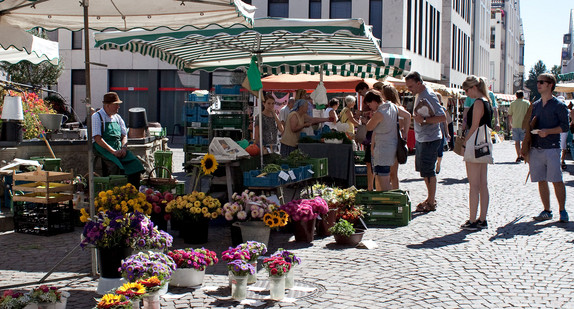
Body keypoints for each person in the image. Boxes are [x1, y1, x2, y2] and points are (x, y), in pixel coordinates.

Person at [526, 73, 569, 223]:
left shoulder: (559, 106)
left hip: (552, 148)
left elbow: (565, 127)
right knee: (541, 180)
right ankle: (547, 210)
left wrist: (548, 132)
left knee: (556, 180)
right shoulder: (536, 105)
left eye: (542, 82)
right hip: (536, 147)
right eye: (538, 82)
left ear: (550, 85)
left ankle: (562, 210)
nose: (538, 84)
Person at [405, 71, 446, 212]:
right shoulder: (420, 95)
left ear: (419, 83)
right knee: (424, 171)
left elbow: (442, 117)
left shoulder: (428, 95)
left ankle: (431, 201)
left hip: (430, 138)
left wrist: (423, 120)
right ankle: (430, 199)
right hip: (423, 138)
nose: (409, 90)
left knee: (428, 171)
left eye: (410, 86)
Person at [460, 76, 493, 231]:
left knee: (474, 185)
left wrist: (465, 142)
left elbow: (473, 127)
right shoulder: (487, 101)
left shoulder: (479, 102)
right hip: (484, 144)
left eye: (467, 90)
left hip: (475, 143)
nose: (467, 94)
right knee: (483, 184)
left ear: (473, 88)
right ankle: (482, 219)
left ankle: (472, 219)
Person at [92, 92, 145, 186]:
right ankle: (115, 193)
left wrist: (124, 148)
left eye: (118, 105)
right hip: (103, 147)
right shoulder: (97, 117)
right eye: (116, 105)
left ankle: (133, 192)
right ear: (107, 105)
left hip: (118, 147)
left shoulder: (118, 118)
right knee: (116, 166)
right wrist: (113, 151)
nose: (118, 107)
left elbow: (124, 135)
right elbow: (97, 138)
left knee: (135, 163)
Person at [365, 90, 410, 191]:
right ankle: (391, 201)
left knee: (383, 183)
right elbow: (407, 116)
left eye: (369, 104)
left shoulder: (379, 113)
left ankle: (391, 203)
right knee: (386, 179)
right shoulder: (392, 106)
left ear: (374, 101)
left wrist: (366, 120)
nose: (369, 107)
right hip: (392, 148)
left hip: (383, 150)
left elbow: (369, 127)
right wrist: (405, 133)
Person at [380, 84, 411, 189]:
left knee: (392, 173)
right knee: (389, 173)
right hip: (390, 140)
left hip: (393, 141)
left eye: (382, 94)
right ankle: (392, 193)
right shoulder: (388, 107)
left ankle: (395, 194)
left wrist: (404, 133)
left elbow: (407, 116)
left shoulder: (394, 107)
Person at [356, 81, 376, 191]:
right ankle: (370, 187)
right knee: (369, 162)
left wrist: (362, 114)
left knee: (371, 162)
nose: (360, 95)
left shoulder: (371, 98)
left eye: (360, 92)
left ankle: (371, 187)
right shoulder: (368, 99)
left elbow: (373, 114)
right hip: (370, 134)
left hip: (372, 134)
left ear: (364, 88)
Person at [508, 90, 530, 162]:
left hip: (515, 124)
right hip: (524, 125)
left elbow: (510, 115)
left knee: (517, 142)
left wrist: (510, 124)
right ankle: (524, 155)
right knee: (524, 141)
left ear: (516, 96)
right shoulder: (527, 103)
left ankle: (518, 155)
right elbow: (530, 114)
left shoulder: (513, 103)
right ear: (523, 96)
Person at [435, 93, 451, 175]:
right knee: (433, 151)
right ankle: (433, 165)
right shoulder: (431, 108)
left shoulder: (442, 109)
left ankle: (438, 164)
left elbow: (445, 122)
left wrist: (447, 133)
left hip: (440, 133)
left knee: (440, 151)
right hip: (432, 133)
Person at [557, 96, 569, 170]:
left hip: (561, 129)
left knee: (561, 145)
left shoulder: (564, 109)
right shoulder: (565, 109)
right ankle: (562, 160)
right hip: (561, 129)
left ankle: (561, 160)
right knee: (562, 145)